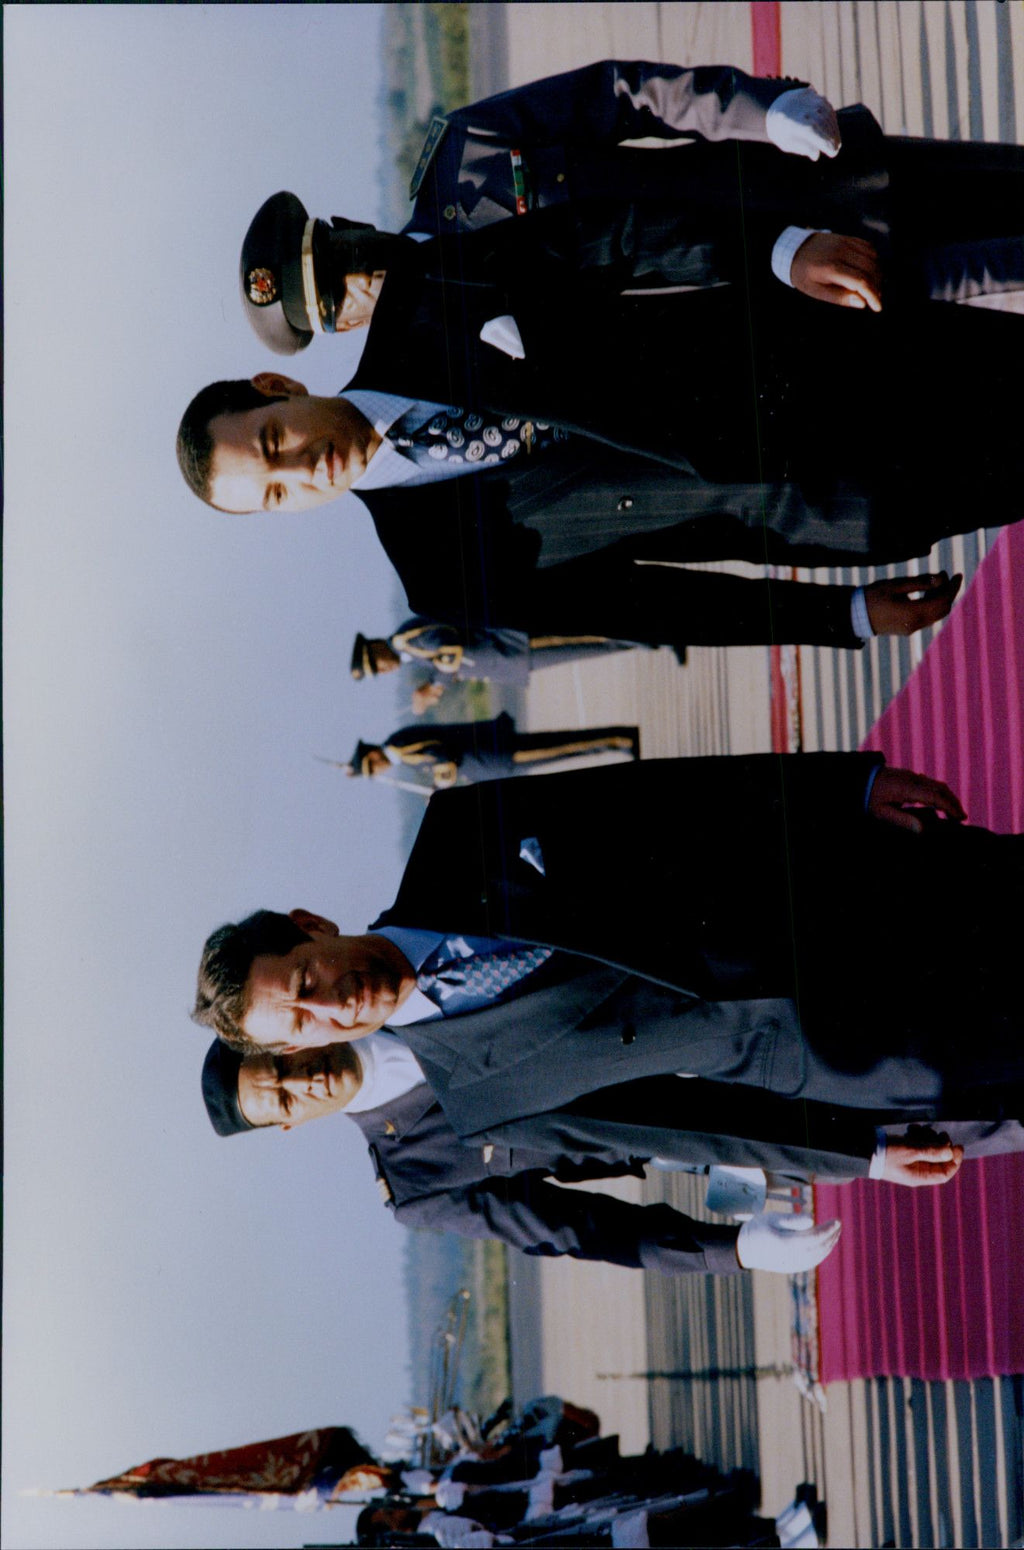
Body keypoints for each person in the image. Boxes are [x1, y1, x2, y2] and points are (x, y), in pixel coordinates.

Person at [192, 754, 1024, 1124]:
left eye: (306, 980)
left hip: (855, 888)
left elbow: (665, 791)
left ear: (312, 927)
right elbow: (688, 1123)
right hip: (860, 1049)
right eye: (304, 1023)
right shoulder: (481, 1097)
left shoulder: (459, 833)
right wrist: (862, 1154)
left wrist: (845, 787)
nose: (333, 1005)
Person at [199, 1038, 1023, 1284]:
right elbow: (581, 1231)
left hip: (761, 1002)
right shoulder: (419, 1182)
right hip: (754, 1123)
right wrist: (729, 1249)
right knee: (981, 1110)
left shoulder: (407, 990)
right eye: (281, 1099)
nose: (300, 1083)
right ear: (288, 1126)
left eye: (279, 1065)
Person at [350, 624, 663, 717]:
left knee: (584, 639)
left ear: (375, 646)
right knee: (589, 648)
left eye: (376, 663)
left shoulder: (405, 641)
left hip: (508, 647)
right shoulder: (409, 654)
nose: (383, 669)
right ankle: (649, 639)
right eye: (377, 672)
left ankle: (658, 633)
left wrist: (434, 687)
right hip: (506, 661)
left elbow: (448, 646)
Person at [344, 712, 639, 789]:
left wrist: (440, 783)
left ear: (373, 755)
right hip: (489, 759)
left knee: (561, 748)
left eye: (372, 767)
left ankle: (620, 739)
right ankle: (618, 740)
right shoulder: (401, 753)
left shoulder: (399, 747)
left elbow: (441, 753)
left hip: (492, 754)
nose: (379, 770)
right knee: (560, 748)